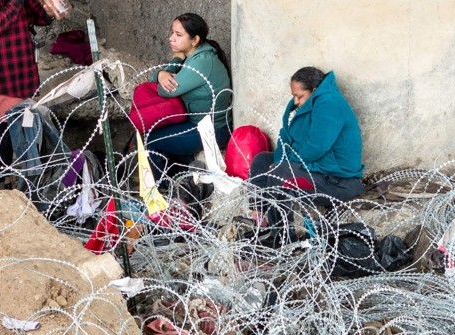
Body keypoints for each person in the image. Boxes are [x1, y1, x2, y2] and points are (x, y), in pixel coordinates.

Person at [249, 67, 365, 208]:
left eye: (300, 96)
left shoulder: (330, 103)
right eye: (294, 96)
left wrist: (282, 165)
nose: (295, 101)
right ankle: (260, 216)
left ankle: (282, 229)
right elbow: (285, 139)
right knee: (262, 160)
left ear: (314, 91)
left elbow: (315, 148)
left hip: (338, 182)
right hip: (316, 170)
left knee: (279, 172)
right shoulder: (302, 107)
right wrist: (280, 161)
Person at [145, 13, 233, 176]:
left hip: (213, 130)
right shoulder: (198, 56)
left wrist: (164, 71)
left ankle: (163, 189)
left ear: (195, 40)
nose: (172, 38)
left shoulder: (201, 62)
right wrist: (160, 75)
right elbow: (159, 80)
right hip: (202, 124)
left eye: (179, 35)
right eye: (172, 33)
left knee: (150, 140)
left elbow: (165, 89)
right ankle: (182, 174)